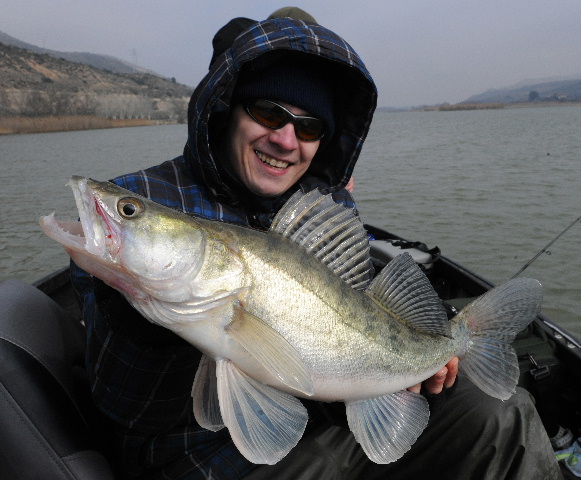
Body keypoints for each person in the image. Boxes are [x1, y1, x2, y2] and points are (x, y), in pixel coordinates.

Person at [71, 11, 563, 480]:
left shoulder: (324, 206)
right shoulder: (143, 197)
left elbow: (354, 324)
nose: (286, 140)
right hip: (206, 461)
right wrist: (139, 316)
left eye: (309, 127)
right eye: (269, 112)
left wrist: (417, 360)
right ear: (228, 109)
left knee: (499, 413)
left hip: (327, 418)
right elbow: (127, 407)